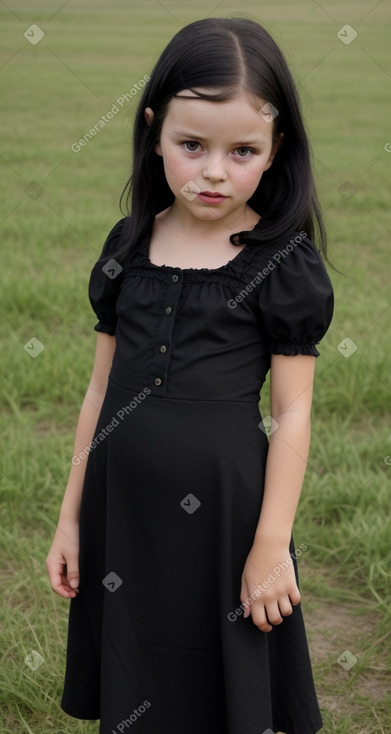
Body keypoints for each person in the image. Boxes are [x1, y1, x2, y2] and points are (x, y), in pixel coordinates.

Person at [46, 16, 334, 734]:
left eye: (242, 151)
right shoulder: (129, 247)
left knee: (226, 681)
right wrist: (71, 519)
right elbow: (97, 390)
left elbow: (293, 412)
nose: (213, 171)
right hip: (124, 514)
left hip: (229, 522)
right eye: (190, 145)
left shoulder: (279, 264)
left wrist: (270, 544)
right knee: (139, 671)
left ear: (275, 152)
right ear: (152, 132)